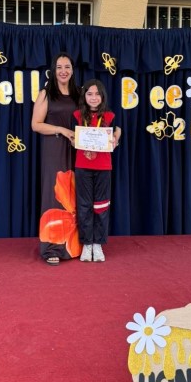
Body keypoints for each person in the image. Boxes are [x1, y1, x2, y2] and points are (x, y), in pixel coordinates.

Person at [31, 52, 81, 265]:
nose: (63, 71)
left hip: (78, 149)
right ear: (53, 70)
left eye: (67, 67)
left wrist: (115, 132)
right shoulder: (46, 94)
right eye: (59, 67)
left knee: (76, 195)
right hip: (54, 148)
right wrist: (61, 129)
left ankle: (75, 246)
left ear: (72, 70)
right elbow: (36, 124)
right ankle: (51, 247)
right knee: (55, 195)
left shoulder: (80, 93)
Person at [73, 79, 121, 262]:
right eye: (89, 94)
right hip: (82, 166)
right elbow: (72, 136)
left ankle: (98, 243)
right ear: (84, 96)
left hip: (103, 167)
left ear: (103, 96)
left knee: (101, 205)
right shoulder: (77, 115)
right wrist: (74, 140)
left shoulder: (110, 115)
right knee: (84, 205)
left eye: (97, 94)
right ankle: (87, 243)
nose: (93, 98)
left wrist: (116, 138)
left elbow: (118, 130)